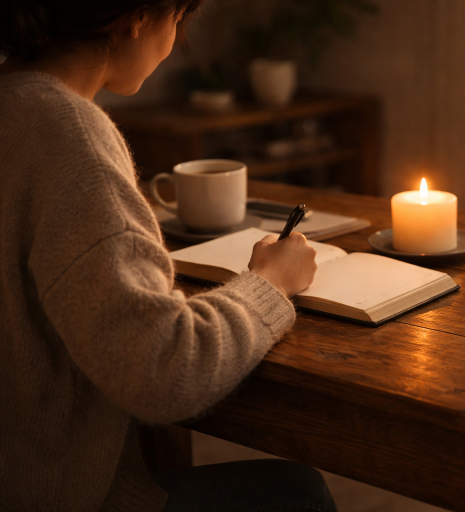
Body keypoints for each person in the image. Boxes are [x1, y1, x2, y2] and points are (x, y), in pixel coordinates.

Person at [0, 1, 336, 511]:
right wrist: (271, 284)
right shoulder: (68, 135)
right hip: (49, 493)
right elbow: (161, 370)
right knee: (299, 492)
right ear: (139, 16)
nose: (176, 37)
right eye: (178, 20)